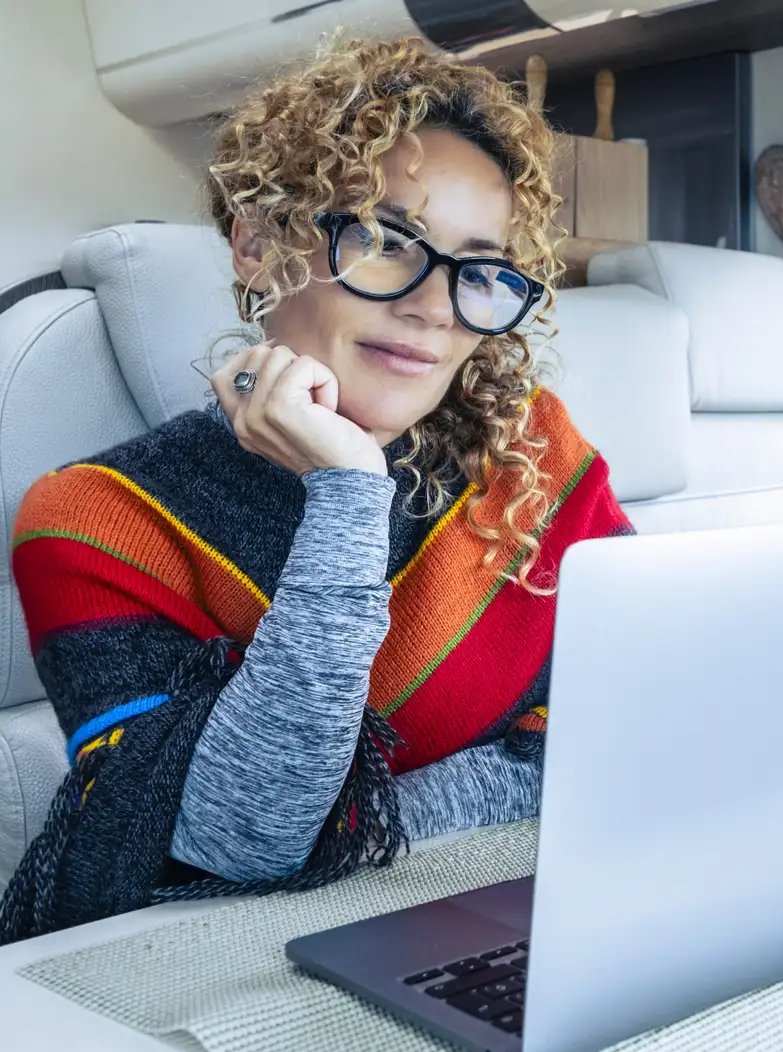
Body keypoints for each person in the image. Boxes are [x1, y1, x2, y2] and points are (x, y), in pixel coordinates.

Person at [0, 34, 633, 944]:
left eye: (479, 271)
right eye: (383, 242)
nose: (434, 306)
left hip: (492, 907)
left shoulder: (530, 450)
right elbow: (239, 839)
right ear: (259, 245)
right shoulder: (92, 521)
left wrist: (362, 827)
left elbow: (632, 710)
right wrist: (345, 495)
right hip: (202, 962)